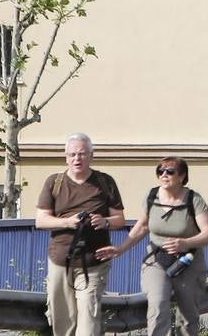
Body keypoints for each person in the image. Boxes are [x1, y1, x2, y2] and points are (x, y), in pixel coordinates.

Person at [98, 156, 208, 336]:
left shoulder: (193, 199)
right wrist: (120, 248)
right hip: (157, 259)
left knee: (188, 316)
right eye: (160, 171)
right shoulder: (152, 196)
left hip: (188, 260)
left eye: (170, 171)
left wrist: (185, 243)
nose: (164, 175)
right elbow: (142, 226)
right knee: (158, 305)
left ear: (182, 176)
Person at [35, 133, 126, 336]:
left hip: (94, 261)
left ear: (91, 156)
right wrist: (68, 222)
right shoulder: (54, 182)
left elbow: (120, 219)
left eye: (82, 154)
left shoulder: (104, 182)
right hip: (61, 261)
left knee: (88, 323)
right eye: (73, 154)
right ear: (66, 157)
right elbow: (41, 220)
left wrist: (105, 222)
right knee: (62, 323)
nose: (77, 159)